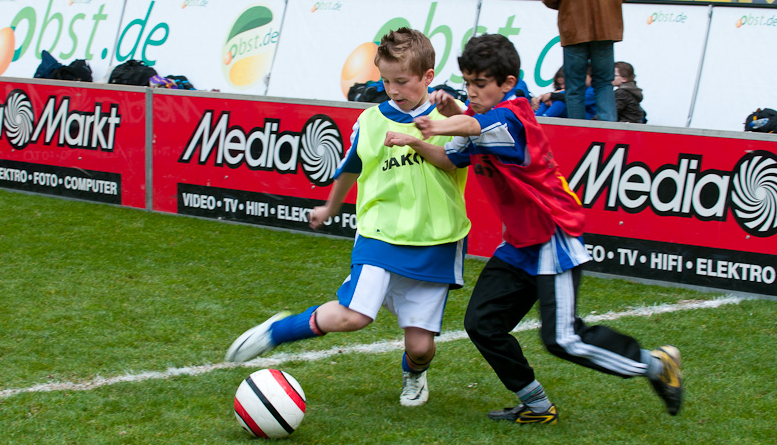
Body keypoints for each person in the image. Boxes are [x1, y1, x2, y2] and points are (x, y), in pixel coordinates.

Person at [388, 33, 684, 425]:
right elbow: (452, 156)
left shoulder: (513, 116)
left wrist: (438, 124)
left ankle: (656, 364)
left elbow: (474, 125)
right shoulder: (482, 116)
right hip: (520, 243)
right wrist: (416, 141)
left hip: (553, 236)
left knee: (562, 339)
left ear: (508, 83)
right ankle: (538, 406)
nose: (472, 91)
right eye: (468, 83)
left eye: (480, 84)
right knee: (483, 325)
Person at [225, 28, 471, 409]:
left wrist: (430, 132)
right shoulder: (370, 120)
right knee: (353, 317)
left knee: (421, 348)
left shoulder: (453, 117)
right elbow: (351, 168)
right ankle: (276, 331)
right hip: (380, 232)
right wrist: (330, 207)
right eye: (386, 81)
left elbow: (455, 160)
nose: (392, 90)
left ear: (428, 76)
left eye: (401, 81)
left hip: (436, 240)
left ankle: (414, 373)